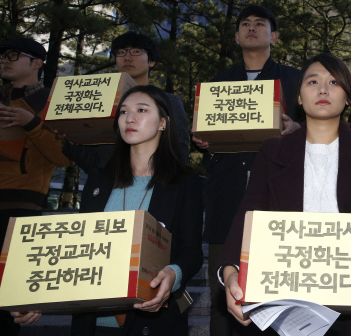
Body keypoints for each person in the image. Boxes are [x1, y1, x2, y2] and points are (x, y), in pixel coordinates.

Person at [218, 53, 351, 335]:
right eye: (313, 81)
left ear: (348, 97)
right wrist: (230, 271)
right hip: (283, 303)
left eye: (334, 82)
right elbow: (250, 211)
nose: (323, 89)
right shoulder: (272, 151)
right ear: (299, 97)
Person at [12, 85, 203, 334]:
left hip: (152, 323)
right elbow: (77, 252)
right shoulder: (99, 181)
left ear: (163, 123)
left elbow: (191, 252)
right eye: (123, 112)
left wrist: (173, 274)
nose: (129, 118)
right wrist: (36, 296)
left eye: (141, 110)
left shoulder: (185, 183)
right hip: (93, 324)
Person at [191, 5, 301, 336]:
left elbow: (325, 130)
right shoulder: (217, 84)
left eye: (260, 23)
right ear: (237, 36)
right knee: (225, 296)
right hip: (226, 197)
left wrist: (297, 127)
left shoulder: (296, 79)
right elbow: (200, 137)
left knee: (282, 295)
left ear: (275, 36)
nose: (252, 28)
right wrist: (200, 140)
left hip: (281, 199)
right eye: (245, 24)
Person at [0, 37, 70, 336]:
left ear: (37, 63)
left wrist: (31, 123)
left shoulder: (50, 101)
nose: (5, 59)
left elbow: (64, 155)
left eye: (14, 55)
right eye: (2, 55)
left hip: (21, 205)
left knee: (8, 296)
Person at [61, 32, 190, 173]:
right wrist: (72, 143)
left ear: (151, 61)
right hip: (107, 185)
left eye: (136, 52)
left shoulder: (170, 102)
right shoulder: (99, 101)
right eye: (121, 52)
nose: (127, 58)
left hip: (155, 185)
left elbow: (180, 153)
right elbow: (94, 163)